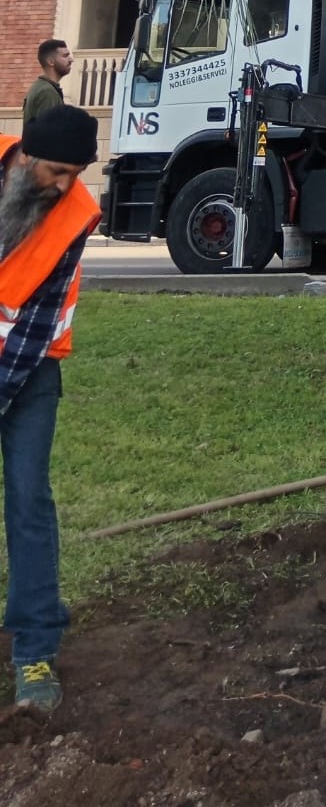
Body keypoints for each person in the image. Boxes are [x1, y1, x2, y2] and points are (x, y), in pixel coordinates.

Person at [0, 105, 101, 713]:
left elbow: (32, 331)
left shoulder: (75, 218)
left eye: (75, 174)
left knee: (30, 503)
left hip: (29, 374)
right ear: (25, 158)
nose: (64, 185)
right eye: (56, 172)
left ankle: (35, 649)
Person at [21, 42, 74, 125]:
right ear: (51, 61)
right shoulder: (47, 92)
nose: (71, 60)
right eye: (65, 56)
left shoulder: (41, 87)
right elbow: (48, 132)